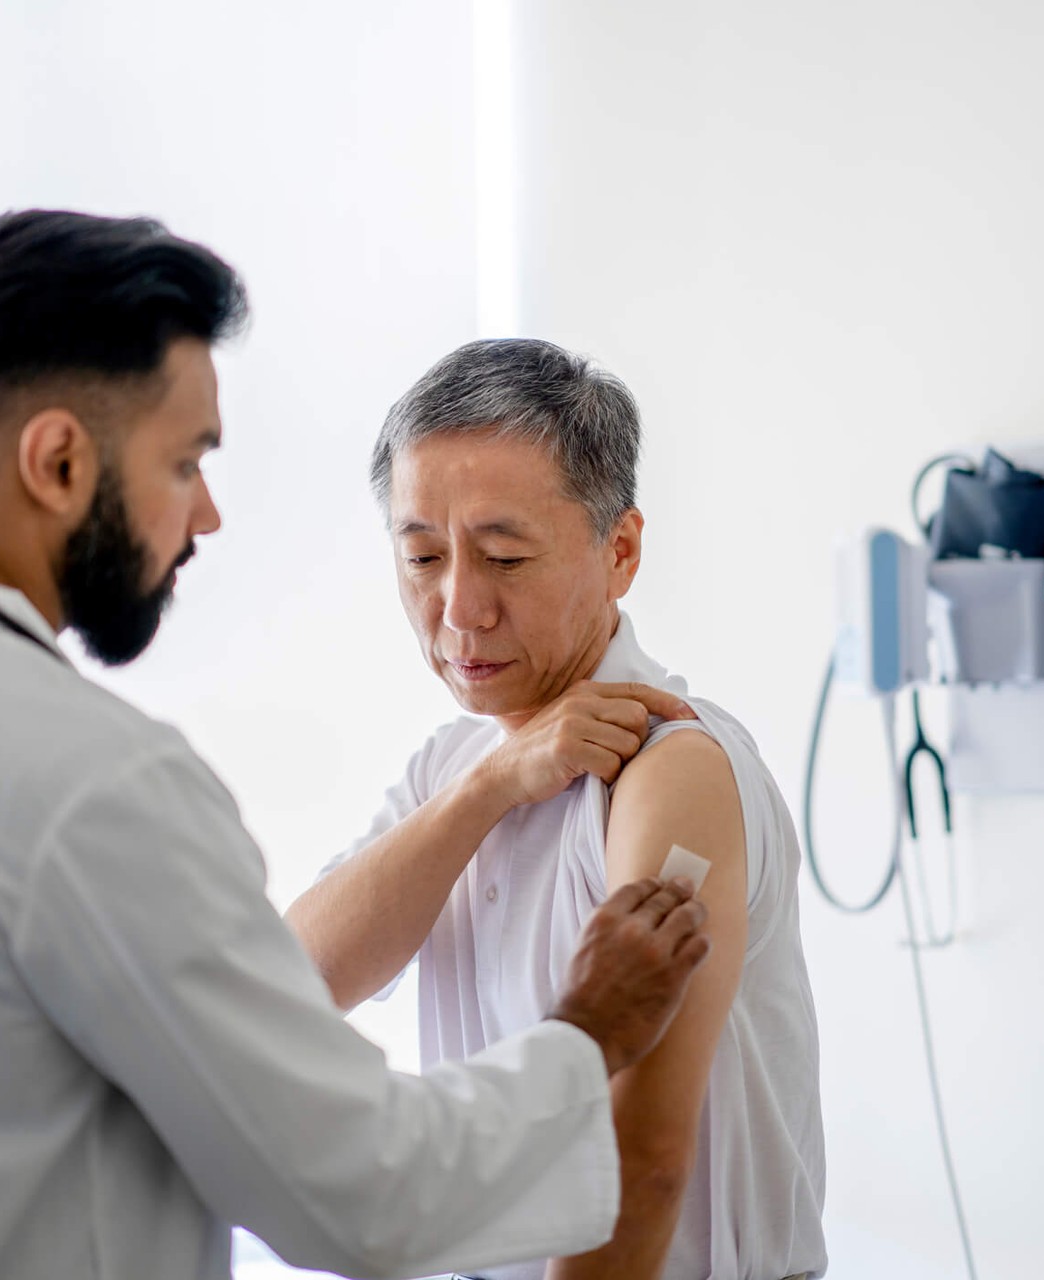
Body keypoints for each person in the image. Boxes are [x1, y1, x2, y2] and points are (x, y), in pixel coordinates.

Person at [0, 211, 715, 1280]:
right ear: (59, 459)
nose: (206, 515)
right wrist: (587, 1029)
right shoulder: (88, 783)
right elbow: (366, 1186)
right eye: (186, 460)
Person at [290, 339, 827, 1280]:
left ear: (619, 552)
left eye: (504, 556)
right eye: (421, 555)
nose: (459, 608)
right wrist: (493, 787)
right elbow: (291, 984)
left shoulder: (671, 772)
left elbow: (644, 1161)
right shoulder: (453, 769)